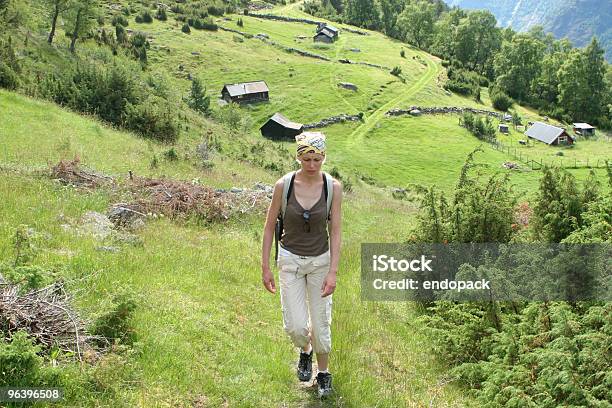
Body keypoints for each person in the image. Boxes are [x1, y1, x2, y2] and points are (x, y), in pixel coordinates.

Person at [261, 132, 342, 398]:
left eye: (317, 159)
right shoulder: (283, 185)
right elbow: (269, 227)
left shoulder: (333, 188)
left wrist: (333, 272)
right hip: (290, 260)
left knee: (320, 324)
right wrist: (265, 267)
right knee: (295, 327)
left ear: (324, 158)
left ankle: (324, 373)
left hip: (320, 261)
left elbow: (337, 231)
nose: (312, 165)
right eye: (307, 158)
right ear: (298, 157)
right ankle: (304, 352)